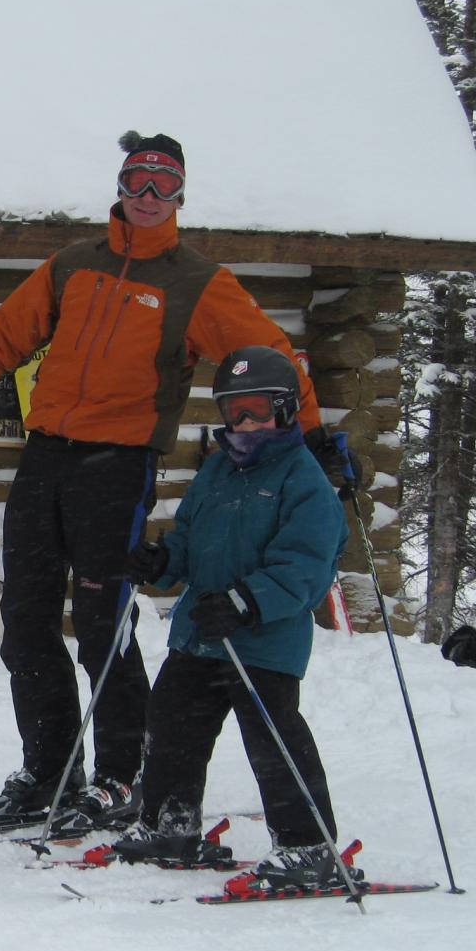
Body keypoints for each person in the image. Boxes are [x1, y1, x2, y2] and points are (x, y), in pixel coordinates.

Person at [0, 130, 354, 831]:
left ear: (182, 195)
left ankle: (122, 776)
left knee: (101, 627)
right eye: (137, 179)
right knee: (25, 624)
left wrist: (308, 439)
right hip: (47, 458)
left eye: (165, 184)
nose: (149, 196)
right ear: (119, 187)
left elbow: (266, 356)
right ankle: (49, 772)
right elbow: (2, 341)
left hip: (118, 468)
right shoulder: (71, 266)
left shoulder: (196, 282)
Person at [114, 345, 360, 889]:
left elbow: (306, 566)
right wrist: (162, 561)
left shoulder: (305, 480)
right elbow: (189, 540)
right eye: (232, 410)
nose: (244, 422)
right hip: (202, 633)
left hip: (263, 641)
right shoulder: (218, 471)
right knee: (171, 722)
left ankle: (307, 844)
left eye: (256, 409)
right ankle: (168, 825)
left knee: (273, 739)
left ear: (286, 409)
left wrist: (247, 602)